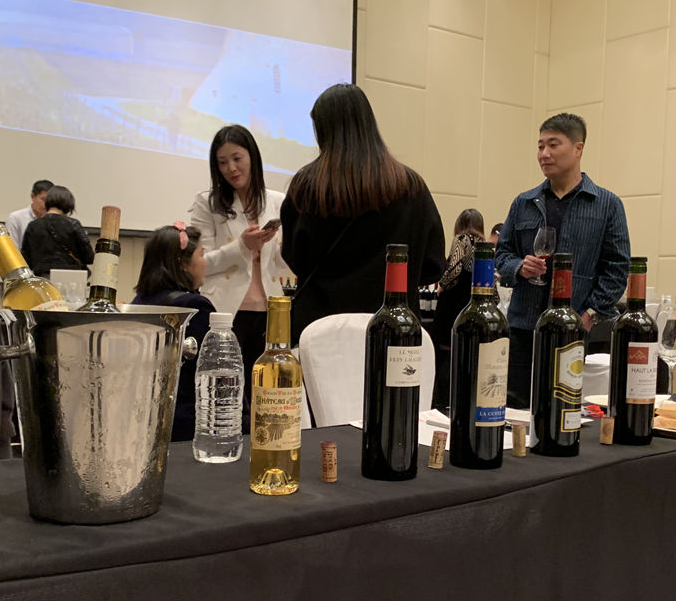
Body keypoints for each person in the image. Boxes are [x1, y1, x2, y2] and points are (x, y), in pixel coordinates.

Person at [281, 83, 445, 344]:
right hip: (393, 333)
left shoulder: (306, 187)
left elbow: (294, 257)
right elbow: (433, 267)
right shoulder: (411, 187)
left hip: (320, 333)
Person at [495, 113, 630, 408]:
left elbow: (617, 269)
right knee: (516, 411)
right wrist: (519, 267)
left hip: (573, 330)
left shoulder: (607, 205)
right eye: (540, 146)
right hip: (523, 329)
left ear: (578, 148)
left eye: (553, 145)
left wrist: (589, 316)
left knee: (563, 410)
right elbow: (501, 255)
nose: (544, 154)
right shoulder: (523, 202)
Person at [188, 125, 287, 394]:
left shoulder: (277, 201)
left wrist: (282, 245)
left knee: (266, 391)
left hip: (269, 309)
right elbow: (201, 265)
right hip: (226, 309)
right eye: (222, 162)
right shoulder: (207, 203)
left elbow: (281, 265)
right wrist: (242, 246)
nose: (231, 168)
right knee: (226, 391)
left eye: (237, 158)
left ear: (252, 157)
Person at [131, 223, 222, 442]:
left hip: (140, 419)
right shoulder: (194, 306)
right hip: (185, 424)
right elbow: (212, 377)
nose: (205, 262)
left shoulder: (139, 301)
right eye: (202, 254)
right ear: (182, 263)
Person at [432, 208, 486, 408]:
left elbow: (454, 268)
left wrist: (441, 285)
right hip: (472, 302)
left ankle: (442, 401)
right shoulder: (484, 246)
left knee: (445, 353)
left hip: (453, 304)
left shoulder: (462, 239)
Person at [20, 185, 93, 278]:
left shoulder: (33, 225)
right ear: (68, 204)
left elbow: (25, 259)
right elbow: (89, 257)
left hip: (42, 279)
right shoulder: (73, 224)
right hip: (72, 279)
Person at [5, 179, 53, 249]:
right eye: (43, 199)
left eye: (50, 200)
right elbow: (12, 249)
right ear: (32, 196)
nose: (47, 204)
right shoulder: (15, 218)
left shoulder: (54, 220)